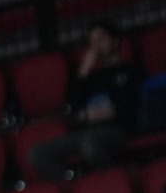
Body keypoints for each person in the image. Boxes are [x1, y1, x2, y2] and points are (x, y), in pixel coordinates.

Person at [33, 21, 145, 179]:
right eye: (92, 42)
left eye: (101, 39)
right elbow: (71, 105)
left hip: (116, 128)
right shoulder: (90, 78)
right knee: (38, 153)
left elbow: (136, 103)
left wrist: (111, 113)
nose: (96, 45)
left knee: (90, 146)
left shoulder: (131, 70)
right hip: (87, 130)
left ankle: (112, 183)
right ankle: (76, 188)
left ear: (115, 41)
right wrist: (84, 70)